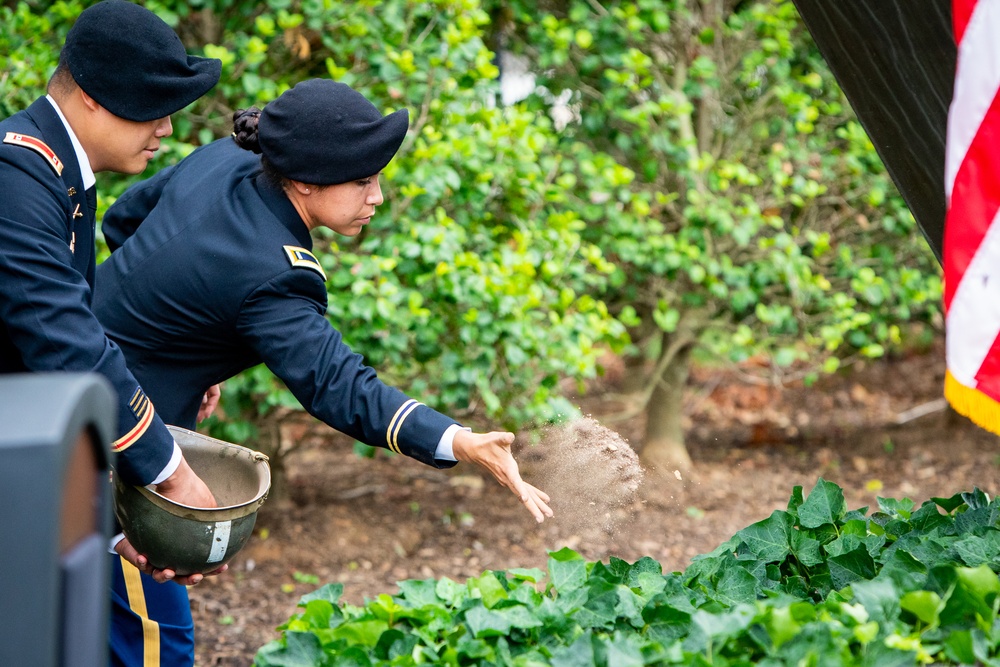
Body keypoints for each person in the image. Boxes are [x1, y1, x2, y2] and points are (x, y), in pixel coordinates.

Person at [94, 77, 553, 663]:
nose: (377, 197)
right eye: (362, 181)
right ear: (306, 180)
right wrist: (459, 441)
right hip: (114, 444)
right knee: (157, 642)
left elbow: (127, 222)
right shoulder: (276, 272)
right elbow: (336, 384)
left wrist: (184, 344)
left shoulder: (226, 159)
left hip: (61, 374)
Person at [0, 1, 225, 665]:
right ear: (94, 99)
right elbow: (65, 342)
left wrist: (109, 524)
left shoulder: (59, 174)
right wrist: (168, 473)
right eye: (152, 106)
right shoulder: (17, 179)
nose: (166, 127)